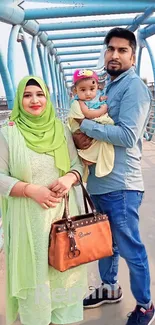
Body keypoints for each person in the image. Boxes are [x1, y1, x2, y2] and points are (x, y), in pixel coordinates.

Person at [72, 28, 155, 325]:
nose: (115, 55)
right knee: (106, 244)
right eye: (111, 49)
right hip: (101, 182)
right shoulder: (109, 86)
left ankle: (145, 305)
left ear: (133, 56)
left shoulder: (133, 87)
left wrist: (86, 126)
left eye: (122, 50)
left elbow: (128, 135)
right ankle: (109, 287)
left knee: (131, 248)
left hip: (122, 184)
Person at [0, 76, 87, 325]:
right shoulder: (7, 134)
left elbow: (76, 165)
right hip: (28, 223)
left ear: (47, 98)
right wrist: (30, 190)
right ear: (19, 100)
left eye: (39, 94)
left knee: (61, 274)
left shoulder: (59, 129)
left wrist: (70, 178)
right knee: (37, 278)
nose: (35, 100)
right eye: (27, 95)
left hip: (62, 218)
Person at [68, 69, 114, 181]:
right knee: (96, 140)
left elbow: (100, 100)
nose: (88, 93)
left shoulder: (96, 98)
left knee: (102, 139)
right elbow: (88, 114)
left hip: (91, 129)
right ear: (75, 91)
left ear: (97, 87)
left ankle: (92, 158)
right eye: (83, 90)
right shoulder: (78, 102)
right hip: (83, 130)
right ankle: (86, 157)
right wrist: (103, 110)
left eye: (92, 89)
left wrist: (102, 100)